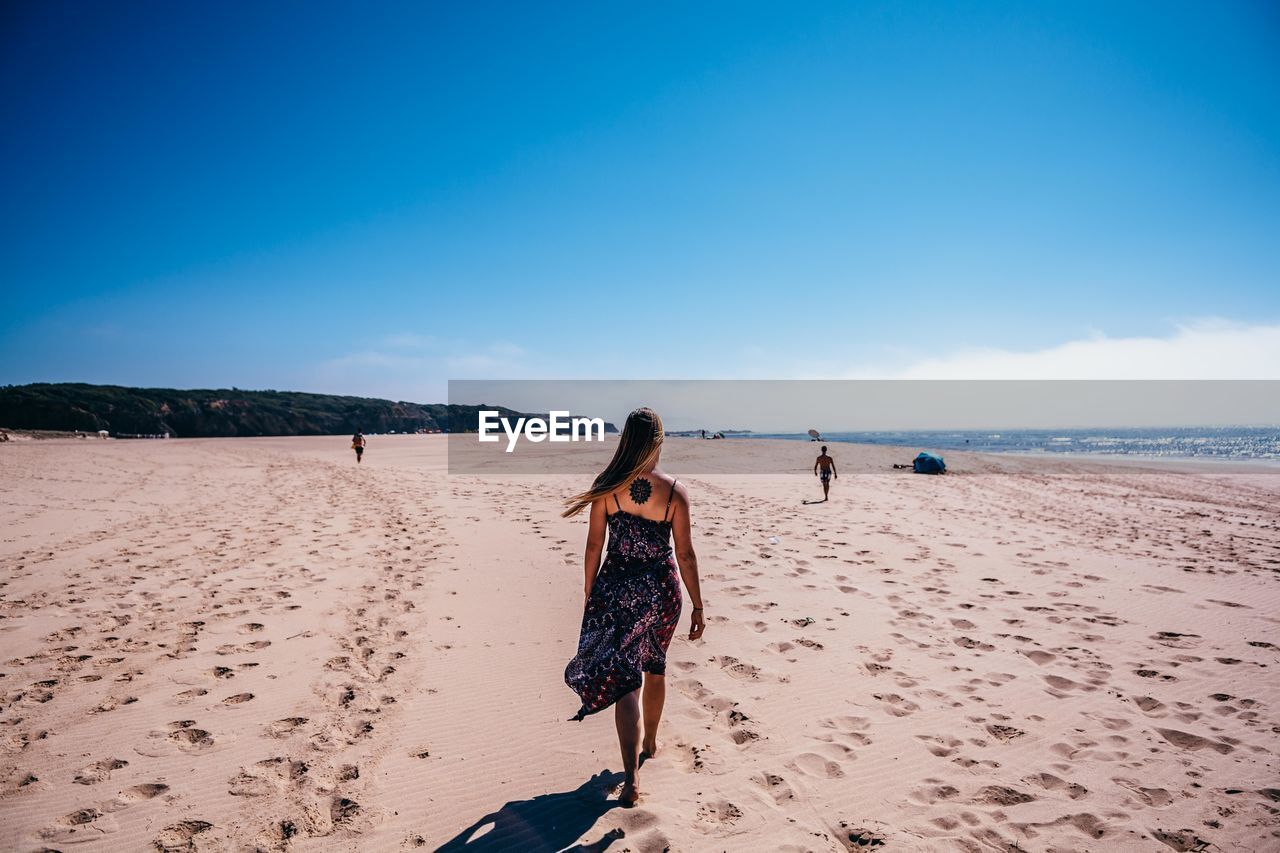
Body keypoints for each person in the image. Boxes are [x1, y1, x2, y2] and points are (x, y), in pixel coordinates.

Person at [562, 407, 705, 808]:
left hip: (616, 591)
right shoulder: (674, 492)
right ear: (658, 441)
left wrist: (592, 593)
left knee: (626, 680)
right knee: (655, 665)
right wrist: (697, 605)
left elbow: (593, 546)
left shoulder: (607, 487)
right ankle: (652, 743)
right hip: (661, 591)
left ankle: (632, 780)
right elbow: (686, 554)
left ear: (626, 440)